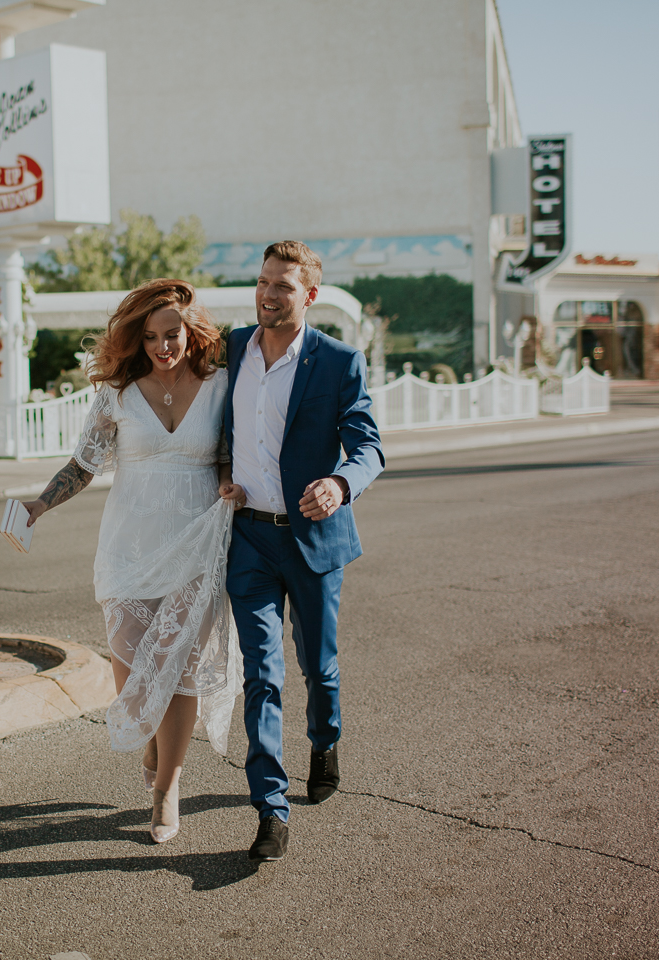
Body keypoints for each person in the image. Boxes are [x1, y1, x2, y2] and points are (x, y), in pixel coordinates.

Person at [22, 278, 242, 845]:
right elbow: (83, 464)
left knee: (184, 671)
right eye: (150, 337)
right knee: (136, 680)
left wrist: (225, 483)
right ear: (137, 339)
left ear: (190, 332)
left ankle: (167, 787)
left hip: (197, 544)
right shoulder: (117, 394)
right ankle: (150, 738)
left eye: (172, 335)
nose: (162, 347)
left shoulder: (219, 387)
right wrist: (39, 505)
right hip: (129, 549)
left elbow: (224, 454)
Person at [220, 241, 384, 862]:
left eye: (282, 286)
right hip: (251, 539)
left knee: (319, 665)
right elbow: (214, 427)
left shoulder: (339, 362)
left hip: (313, 538)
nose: (267, 294)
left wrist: (340, 484)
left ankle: (325, 739)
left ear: (309, 295)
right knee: (261, 675)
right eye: (263, 282)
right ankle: (271, 807)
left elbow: (368, 447)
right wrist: (220, 474)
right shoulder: (232, 349)